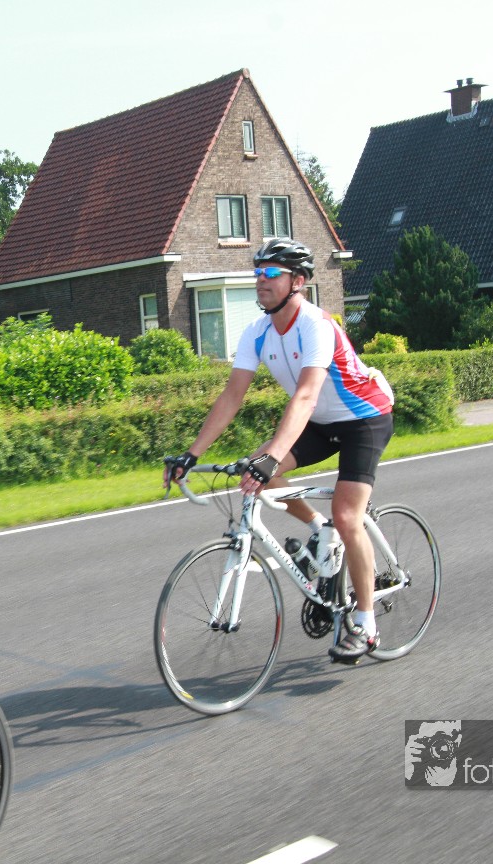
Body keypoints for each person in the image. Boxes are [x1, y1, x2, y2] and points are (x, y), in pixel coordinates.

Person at [165, 237, 394, 661]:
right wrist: (191, 454)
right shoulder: (257, 332)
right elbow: (232, 397)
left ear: (298, 281)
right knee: (255, 468)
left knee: (347, 515)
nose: (261, 280)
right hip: (321, 423)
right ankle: (318, 529)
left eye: (271, 272)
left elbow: (305, 396)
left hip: (364, 418)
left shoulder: (315, 325)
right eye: (257, 272)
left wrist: (272, 458)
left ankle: (365, 624)